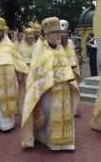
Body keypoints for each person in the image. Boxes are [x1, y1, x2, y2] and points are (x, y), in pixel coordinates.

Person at [21, 17, 79, 150]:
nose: (59, 35)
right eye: (55, 32)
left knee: (65, 115)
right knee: (49, 116)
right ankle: (49, 140)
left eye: (59, 32)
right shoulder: (39, 49)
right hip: (48, 90)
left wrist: (70, 79)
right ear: (47, 35)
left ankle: (65, 142)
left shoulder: (60, 49)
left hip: (63, 88)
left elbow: (66, 67)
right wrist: (49, 80)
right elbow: (36, 71)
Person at [60, 19, 81, 116]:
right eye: (61, 33)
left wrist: (75, 67)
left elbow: (74, 55)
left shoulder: (71, 43)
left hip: (72, 73)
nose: (63, 35)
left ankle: (74, 110)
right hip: (62, 74)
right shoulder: (56, 45)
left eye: (65, 33)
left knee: (73, 92)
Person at [18, 28, 36, 114]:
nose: (30, 40)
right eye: (28, 38)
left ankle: (34, 108)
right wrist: (20, 74)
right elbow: (19, 61)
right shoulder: (21, 47)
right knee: (24, 91)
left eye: (31, 38)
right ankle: (24, 109)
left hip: (34, 71)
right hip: (24, 71)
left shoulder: (36, 45)